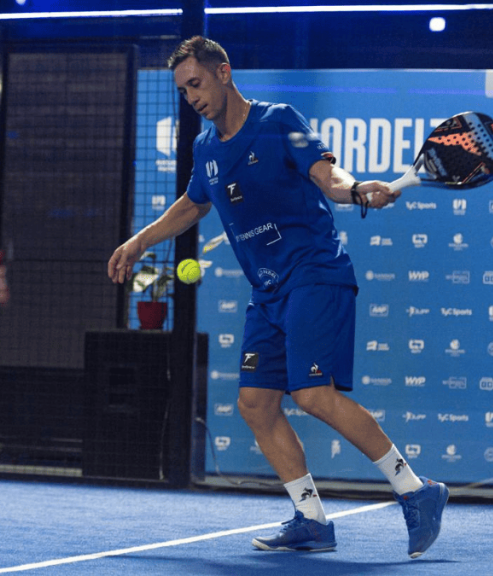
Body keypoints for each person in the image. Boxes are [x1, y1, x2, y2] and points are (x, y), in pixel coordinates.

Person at [107, 36, 448, 558]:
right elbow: (192, 205)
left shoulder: (277, 119)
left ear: (223, 72)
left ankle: (417, 492)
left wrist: (356, 189)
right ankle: (311, 520)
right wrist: (138, 240)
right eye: (183, 90)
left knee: (311, 394)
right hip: (267, 290)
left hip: (314, 273)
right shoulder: (205, 147)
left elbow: (327, 176)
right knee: (255, 404)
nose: (191, 97)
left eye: (196, 83)